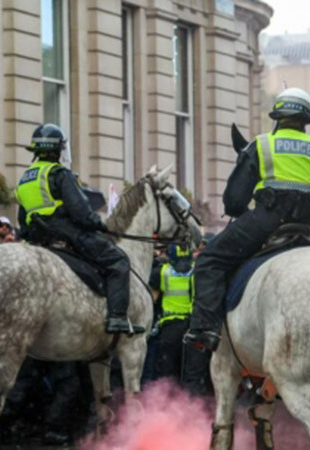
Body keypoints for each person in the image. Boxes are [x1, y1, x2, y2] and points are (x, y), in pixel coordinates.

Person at [185, 87, 310, 351]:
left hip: (266, 220)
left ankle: (205, 329)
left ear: (277, 117)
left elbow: (235, 201)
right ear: (306, 120)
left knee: (210, 261)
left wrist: (244, 212)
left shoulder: (261, 144)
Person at [15, 124, 135, 334]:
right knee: (118, 261)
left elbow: (22, 221)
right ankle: (117, 317)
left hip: (37, 237)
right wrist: (100, 224)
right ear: (56, 151)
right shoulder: (59, 174)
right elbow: (81, 212)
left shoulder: (24, 179)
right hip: (65, 233)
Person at [151, 244, 211, 393]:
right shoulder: (198, 271)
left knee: (167, 371)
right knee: (193, 372)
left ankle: (166, 406)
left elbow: (153, 299)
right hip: (194, 327)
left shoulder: (162, 272)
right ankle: (192, 407)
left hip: (170, 327)